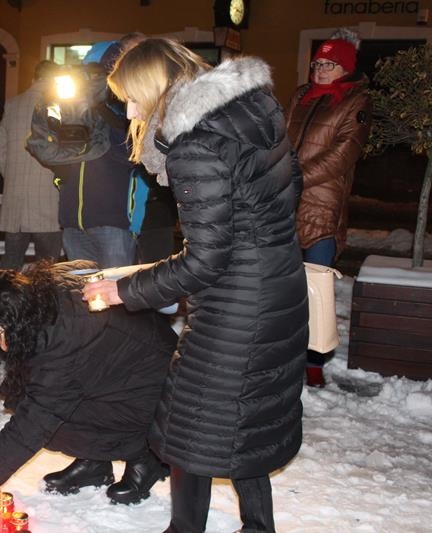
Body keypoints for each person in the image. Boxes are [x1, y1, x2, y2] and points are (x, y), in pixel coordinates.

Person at [83, 38, 308, 532]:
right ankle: (258, 526)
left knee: (190, 425)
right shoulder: (248, 109)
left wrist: (125, 290)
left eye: (133, 99)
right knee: (246, 416)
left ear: (156, 88)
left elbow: (205, 261)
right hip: (279, 283)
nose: (130, 112)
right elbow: (293, 181)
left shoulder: (194, 144)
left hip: (238, 306)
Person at [0, 262, 175, 509]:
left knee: (46, 423)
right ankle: (95, 463)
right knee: (24, 398)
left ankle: (145, 457)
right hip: (128, 372)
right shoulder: (40, 297)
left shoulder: (64, 345)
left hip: (159, 397)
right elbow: (86, 265)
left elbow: (26, 431)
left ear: (13, 323)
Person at [286, 29, 372, 388]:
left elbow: (342, 154)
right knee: (284, 288)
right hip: (285, 203)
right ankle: (284, 356)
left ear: (345, 68)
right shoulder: (301, 96)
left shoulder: (356, 101)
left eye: (329, 64)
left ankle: (313, 363)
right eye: (317, 63)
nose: (320, 70)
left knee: (317, 290)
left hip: (322, 207)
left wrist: (294, 177)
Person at [47, 41, 137, 268]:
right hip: (72, 221)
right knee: (81, 288)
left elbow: (131, 155)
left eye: (95, 74)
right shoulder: (71, 108)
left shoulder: (128, 107)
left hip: (112, 221)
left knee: (117, 286)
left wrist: (99, 114)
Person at [0, 60, 62, 271]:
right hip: (48, 199)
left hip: (15, 200)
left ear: (34, 79)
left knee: (11, 264)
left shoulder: (12, 105)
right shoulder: (58, 107)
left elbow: (0, 150)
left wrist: (11, 177)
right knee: (48, 267)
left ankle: (5, 294)